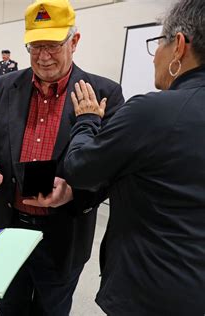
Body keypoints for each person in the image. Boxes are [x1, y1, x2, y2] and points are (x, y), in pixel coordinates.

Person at [0, 0, 124, 315]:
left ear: (75, 42)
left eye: (53, 46)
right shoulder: (5, 86)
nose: (43, 56)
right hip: (8, 227)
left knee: (51, 309)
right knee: (9, 306)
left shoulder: (103, 93)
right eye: (35, 46)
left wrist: (74, 192)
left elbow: (113, 169)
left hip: (62, 235)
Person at [63, 0, 205, 314]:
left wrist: (87, 120)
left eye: (159, 44)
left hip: (153, 289)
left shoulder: (153, 112)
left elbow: (80, 168)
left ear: (179, 45)